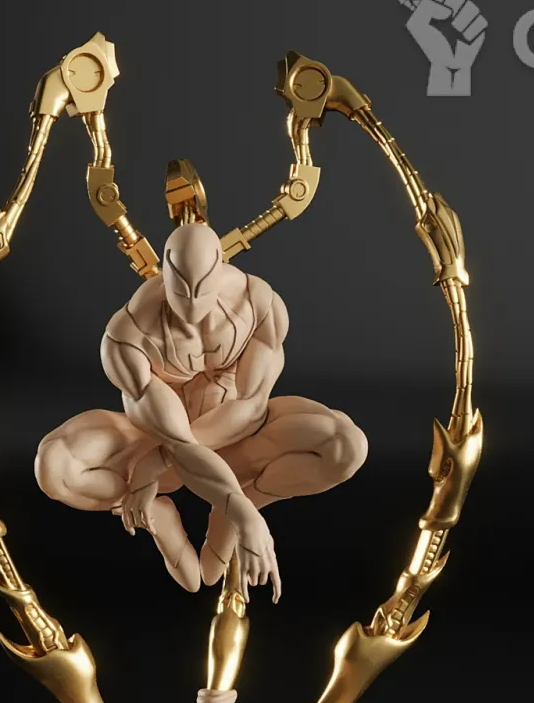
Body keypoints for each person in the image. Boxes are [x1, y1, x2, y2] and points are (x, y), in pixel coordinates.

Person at [35, 222, 367, 602]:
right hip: (152, 441)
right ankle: (158, 514)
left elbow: (251, 407)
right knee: (53, 467)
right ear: (163, 272)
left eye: (202, 289)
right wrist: (165, 462)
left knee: (347, 446)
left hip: (238, 441)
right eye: (180, 290)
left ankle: (251, 496)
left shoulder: (259, 304)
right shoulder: (126, 337)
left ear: (220, 264)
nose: (192, 304)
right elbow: (177, 440)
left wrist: (237, 507)